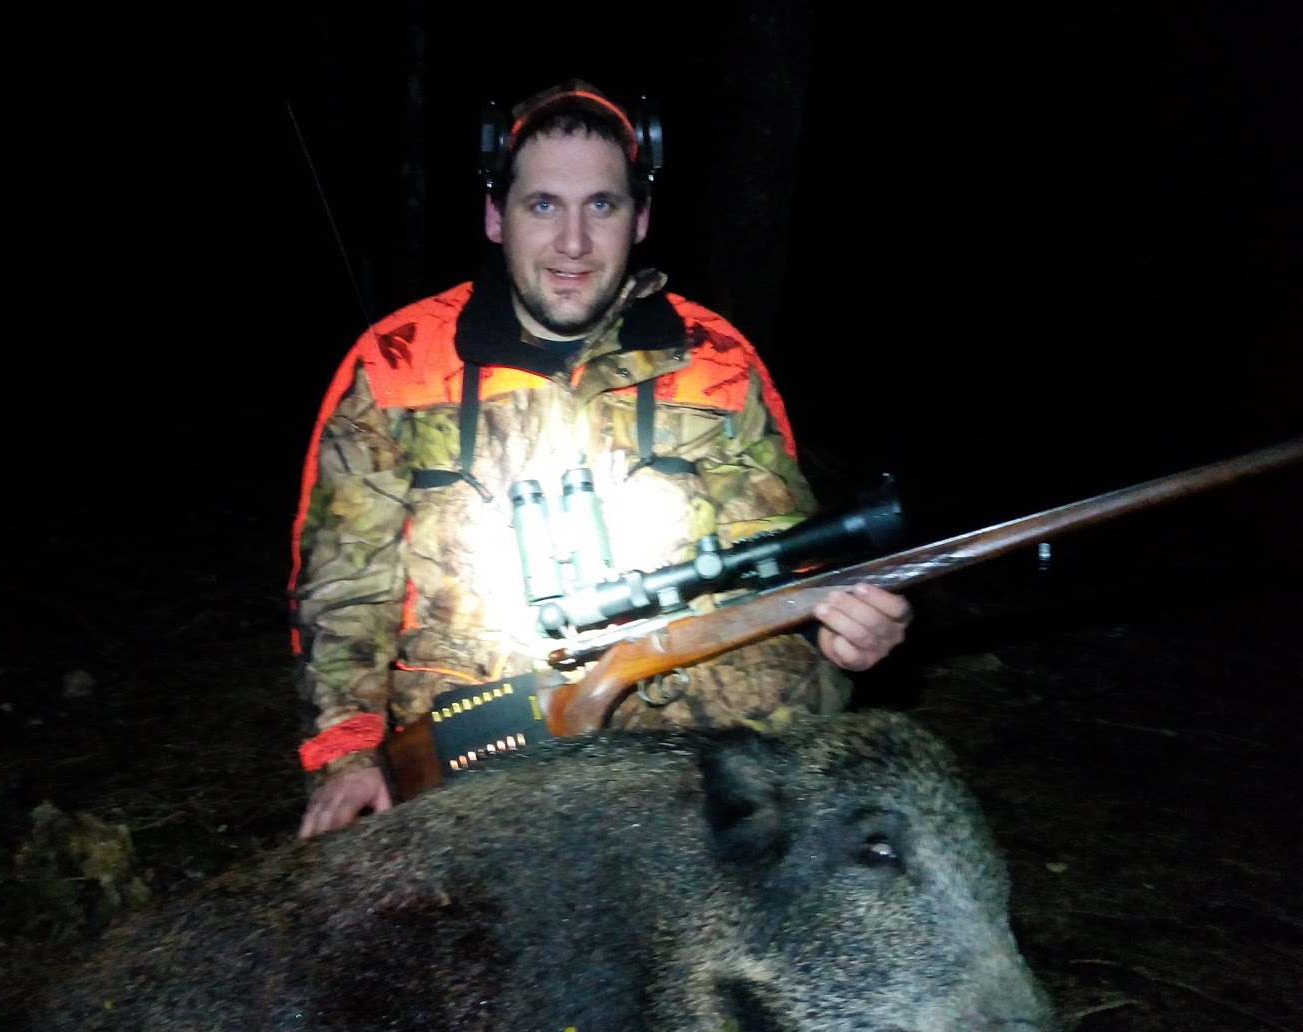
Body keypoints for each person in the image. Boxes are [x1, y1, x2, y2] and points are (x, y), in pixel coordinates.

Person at [289, 80, 911, 837]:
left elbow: (782, 564)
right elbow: (344, 592)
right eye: (543, 205)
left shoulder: (717, 362)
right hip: (479, 764)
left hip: (689, 768)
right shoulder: (395, 364)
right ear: (496, 216)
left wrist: (839, 630)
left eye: (603, 206)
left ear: (641, 218)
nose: (574, 243)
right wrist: (349, 755)